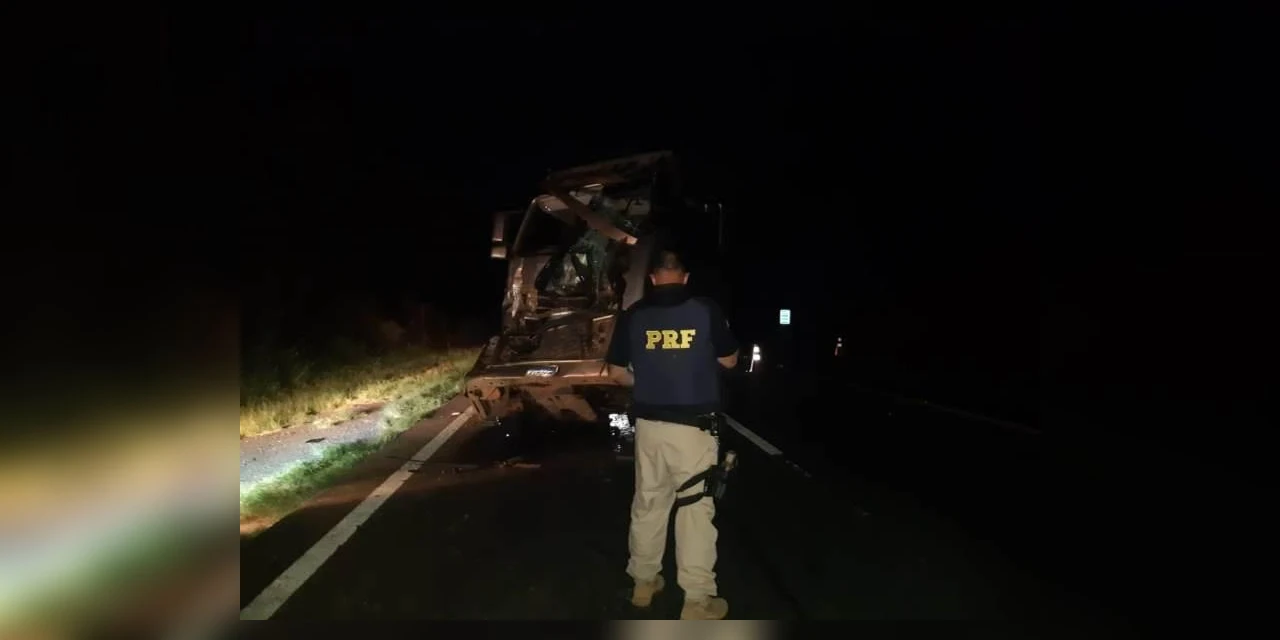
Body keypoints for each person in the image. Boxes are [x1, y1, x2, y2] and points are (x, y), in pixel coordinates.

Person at [605, 248, 740, 620]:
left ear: (651, 278)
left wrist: (647, 381)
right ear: (684, 276)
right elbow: (729, 360)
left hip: (649, 427)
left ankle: (644, 583)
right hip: (694, 431)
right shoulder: (705, 309)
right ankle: (697, 601)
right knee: (695, 510)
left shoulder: (633, 316)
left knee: (648, 504)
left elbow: (616, 372)